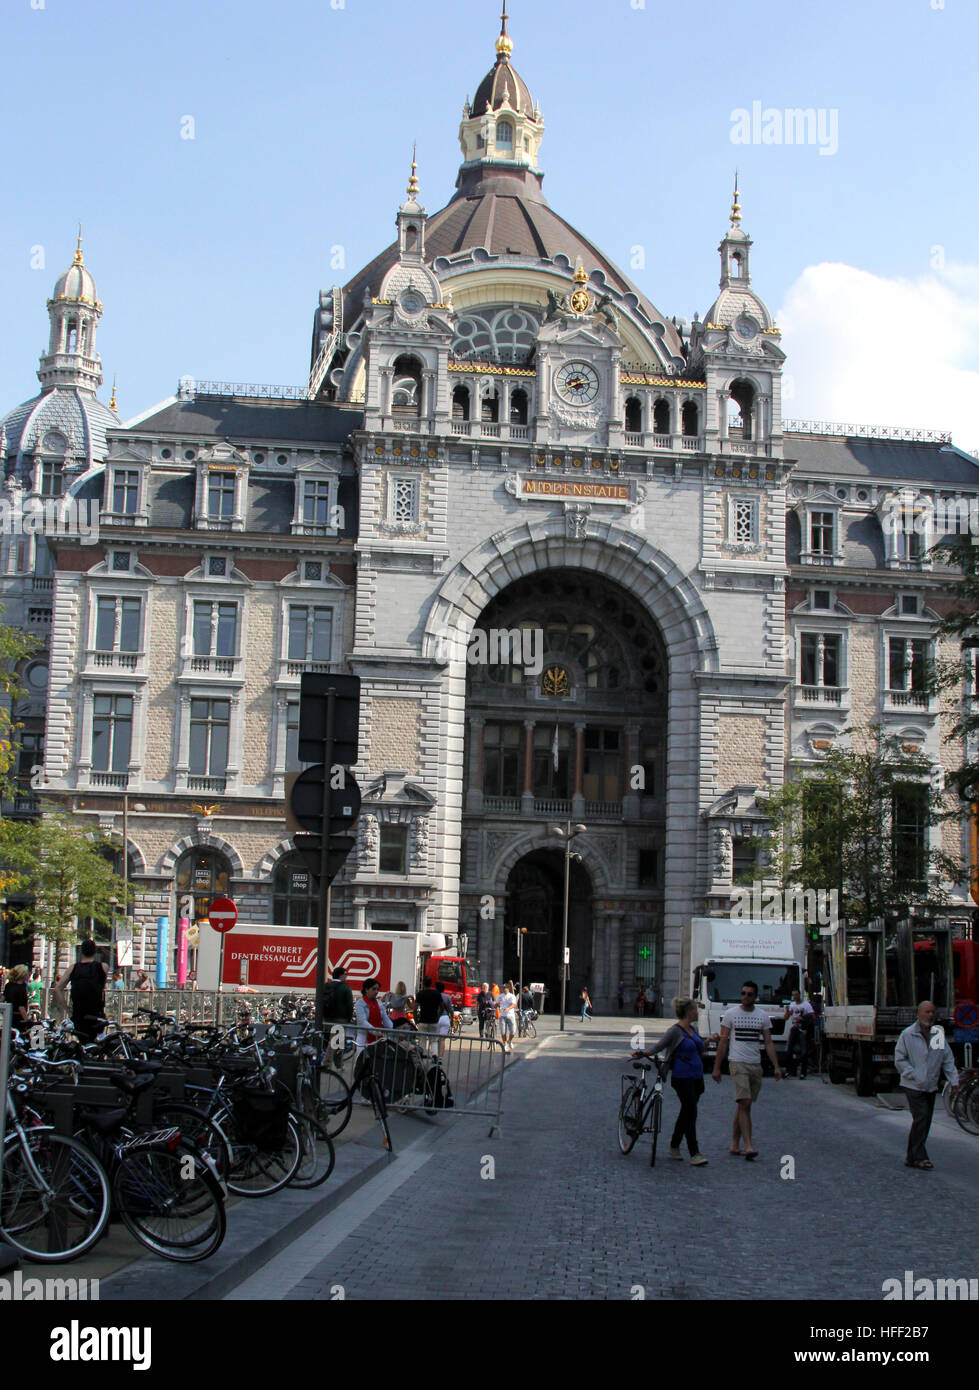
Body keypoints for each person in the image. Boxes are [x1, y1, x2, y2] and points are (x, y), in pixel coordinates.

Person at [634, 996, 715, 1166]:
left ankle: (674, 1145)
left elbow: (698, 1048)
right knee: (691, 1112)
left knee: (687, 1112)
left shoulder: (693, 1030)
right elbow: (660, 1046)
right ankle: (695, 1153)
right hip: (681, 1077)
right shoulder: (675, 1031)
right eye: (694, 1009)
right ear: (688, 1012)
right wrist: (644, 1053)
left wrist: (709, 1041)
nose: (697, 1012)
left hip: (697, 1077)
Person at [712, 979, 782, 1159]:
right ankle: (749, 1145)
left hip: (755, 1064)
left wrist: (776, 1066)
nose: (745, 997)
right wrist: (717, 1067)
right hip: (737, 1062)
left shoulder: (763, 1016)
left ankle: (735, 1143)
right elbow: (723, 1041)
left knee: (744, 1105)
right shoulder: (730, 1014)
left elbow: (768, 1042)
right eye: (743, 993)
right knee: (745, 1103)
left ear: (755, 996)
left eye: (749, 994)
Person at [894, 1000, 959, 1170]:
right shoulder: (908, 1035)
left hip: (930, 1085)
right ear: (919, 1014)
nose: (930, 1015)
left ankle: (911, 1156)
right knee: (921, 1116)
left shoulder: (937, 1035)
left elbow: (947, 1059)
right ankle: (920, 1157)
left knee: (924, 1121)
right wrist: (913, 1074)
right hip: (913, 1085)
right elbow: (900, 1059)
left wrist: (954, 1081)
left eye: (932, 1012)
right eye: (927, 1012)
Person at [55, 940, 108, 1043]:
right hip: (96, 1013)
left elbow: (58, 989)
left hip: (79, 1014)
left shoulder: (73, 968)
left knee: (82, 1041)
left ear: (81, 951)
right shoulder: (102, 967)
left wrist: (67, 1009)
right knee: (95, 1043)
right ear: (95, 951)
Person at [353, 978, 392, 1054]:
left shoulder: (379, 1002)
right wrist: (374, 1031)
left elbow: (385, 1018)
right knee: (362, 1061)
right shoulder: (360, 1003)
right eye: (374, 989)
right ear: (366, 989)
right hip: (364, 1037)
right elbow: (362, 1021)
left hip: (378, 1038)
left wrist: (393, 1029)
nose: (376, 992)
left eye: (378, 989)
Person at [784, 988, 815, 1078]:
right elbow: (785, 1018)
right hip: (794, 1028)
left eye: (796, 995)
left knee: (804, 1051)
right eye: (793, 995)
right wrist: (787, 1011)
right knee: (789, 1049)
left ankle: (803, 1072)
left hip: (802, 1029)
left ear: (799, 995)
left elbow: (813, 1016)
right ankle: (788, 1070)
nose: (795, 997)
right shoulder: (792, 1005)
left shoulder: (806, 1005)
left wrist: (803, 1018)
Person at [498, 980, 517, 1052]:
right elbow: (497, 1003)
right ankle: (505, 1044)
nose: (504, 989)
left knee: (512, 1031)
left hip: (510, 1015)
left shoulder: (511, 996)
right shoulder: (500, 996)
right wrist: (496, 1005)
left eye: (505, 988)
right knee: (503, 1031)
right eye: (503, 988)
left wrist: (508, 1008)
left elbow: (513, 1004)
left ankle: (510, 1040)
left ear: (508, 989)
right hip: (502, 1015)